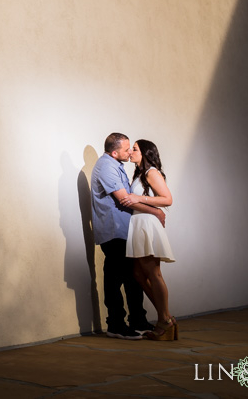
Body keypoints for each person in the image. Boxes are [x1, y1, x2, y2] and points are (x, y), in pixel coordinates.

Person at [90, 132, 163, 339]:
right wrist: (155, 211)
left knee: (133, 277)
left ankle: (137, 319)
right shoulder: (106, 167)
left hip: (125, 231)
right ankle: (115, 324)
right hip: (114, 232)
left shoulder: (117, 166)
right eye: (127, 149)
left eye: (132, 148)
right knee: (115, 278)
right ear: (114, 152)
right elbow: (124, 199)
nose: (130, 151)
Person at [120, 140, 177, 340]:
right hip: (138, 223)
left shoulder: (152, 172)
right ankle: (166, 318)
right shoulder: (140, 174)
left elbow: (167, 199)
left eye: (134, 149)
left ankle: (164, 321)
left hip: (146, 224)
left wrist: (138, 199)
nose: (130, 152)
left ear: (145, 152)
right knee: (138, 273)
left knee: (154, 273)